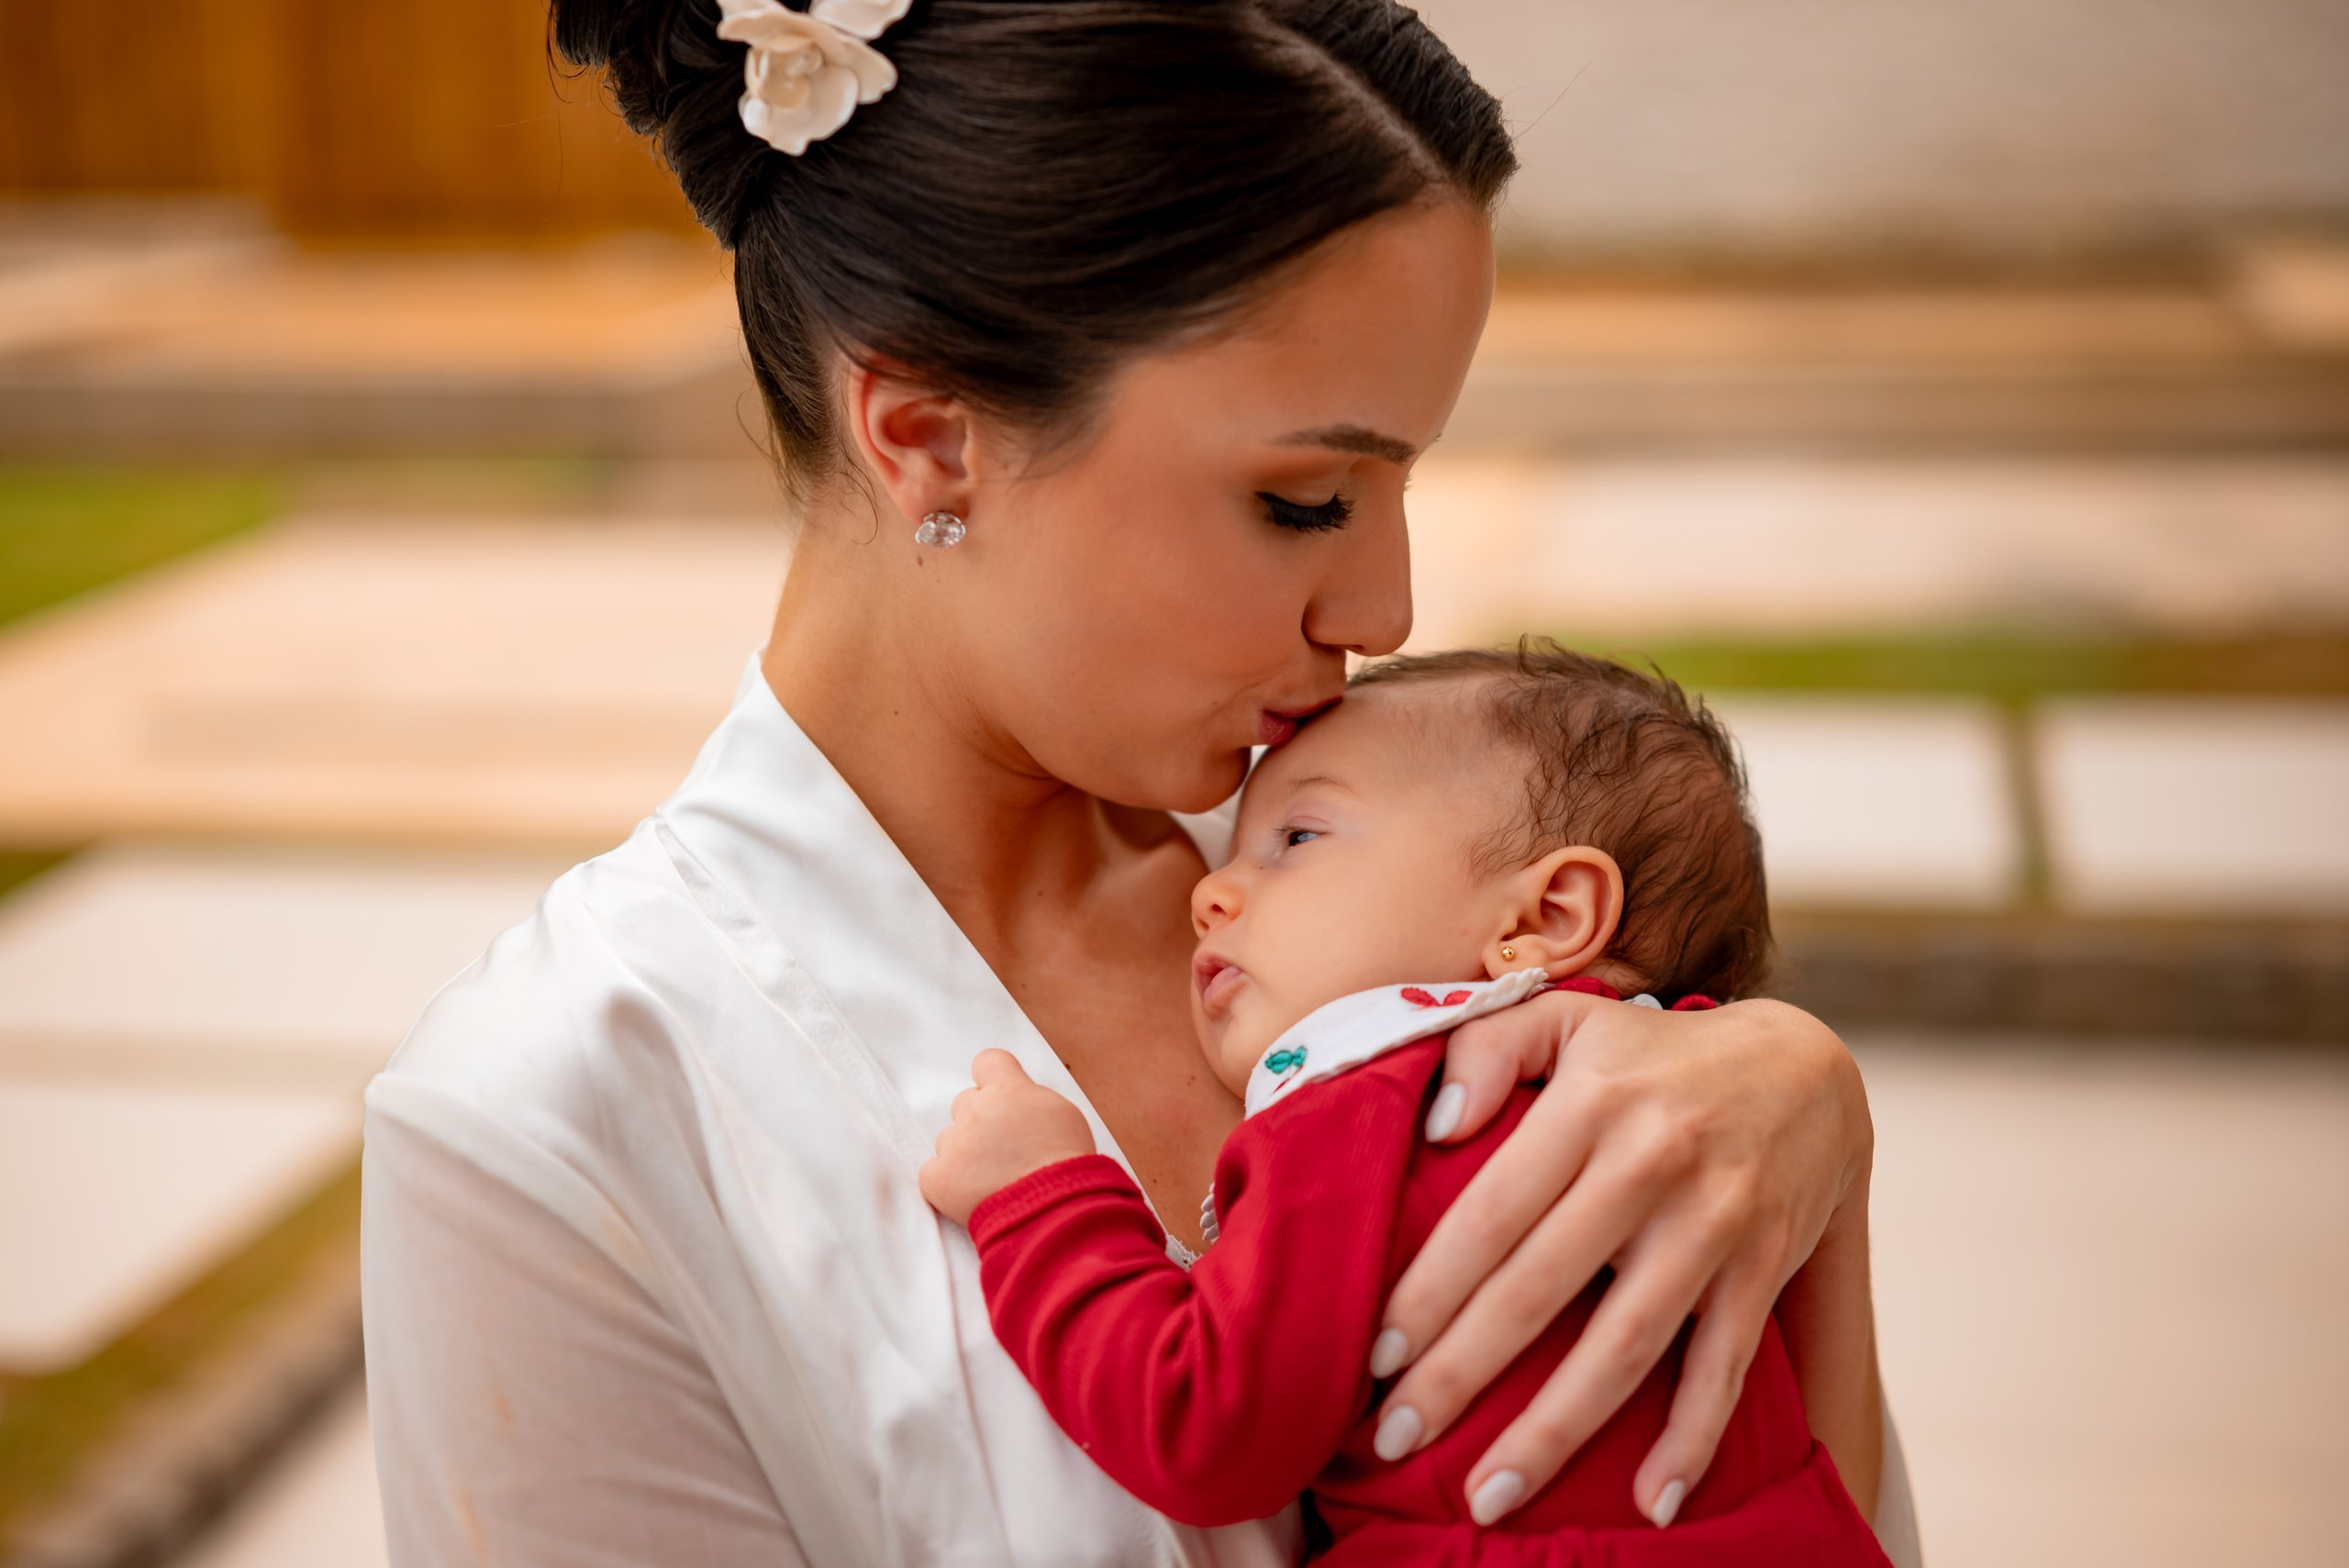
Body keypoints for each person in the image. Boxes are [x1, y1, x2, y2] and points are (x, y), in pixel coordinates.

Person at [361, 3, 1920, 1564]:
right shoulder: (546, 1122)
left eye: (1400, 482)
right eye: (1305, 495)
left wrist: (1808, 1150)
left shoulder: (1418, 891)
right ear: (929, 438)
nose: (1383, 609)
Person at [919, 646, 1891, 1563]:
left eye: (1296, 837)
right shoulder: (1697, 1113)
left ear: (1541, 920)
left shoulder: (1366, 1109)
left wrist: (1042, 1194)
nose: (1212, 890)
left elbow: (1204, 1424)